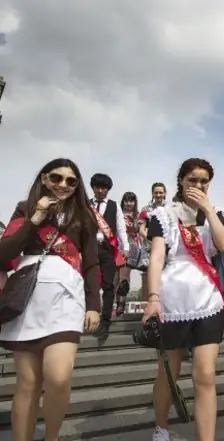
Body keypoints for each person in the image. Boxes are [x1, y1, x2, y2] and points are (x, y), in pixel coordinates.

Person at [0, 158, 100, 441]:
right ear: (44, 179)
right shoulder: (25, 208)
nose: (63, 185)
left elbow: (91, 263)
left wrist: (94, 305)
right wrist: (35, 219)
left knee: (58, 377)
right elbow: (5, 252)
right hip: (28, 299)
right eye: (56, 178)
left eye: (71, 181)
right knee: (28, 383)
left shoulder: (85, 216)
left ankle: (51, 437)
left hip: (67, 298)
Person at [142, 158, 224, 441]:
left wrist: (208, 209)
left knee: (206, 375)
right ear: (181, 181)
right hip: (173, 300)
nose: (198, 185)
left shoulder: (213, 214)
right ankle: (161, 427)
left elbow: (223, 245)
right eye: (192, 180)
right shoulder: (163, 215)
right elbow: (157, 257)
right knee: (169, 372)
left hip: (208, 300)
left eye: (204, 181)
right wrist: (152, 297)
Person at [89, 173, 129, 338]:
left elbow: (120, 228)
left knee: (108, 285)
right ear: (93, 188)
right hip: (89, 249)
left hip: (107, 250)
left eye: (104, 188)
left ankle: (105, 321)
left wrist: (125, 246)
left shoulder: (114, 206)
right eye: (97, 187)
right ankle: (88, 315)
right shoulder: (86, 204)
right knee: (89, 283)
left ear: (108, 189)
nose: (100, 190)